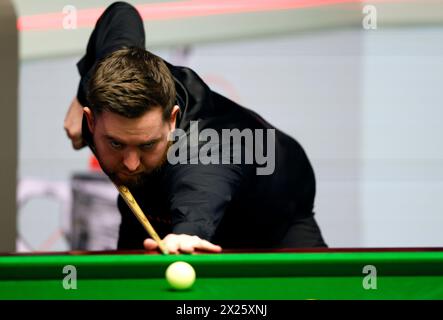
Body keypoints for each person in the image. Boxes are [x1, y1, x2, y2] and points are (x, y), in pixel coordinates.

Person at [64, 2, 327, 253]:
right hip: (152, 205)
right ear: (91, 120)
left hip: (271, 217)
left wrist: (189, 234)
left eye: (147, 144)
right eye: (116, 144)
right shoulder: (109, 77)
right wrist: (80, 96)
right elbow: (121, 14)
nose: (131, 163)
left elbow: (199, 200)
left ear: (173, 120)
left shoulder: (207, 152)